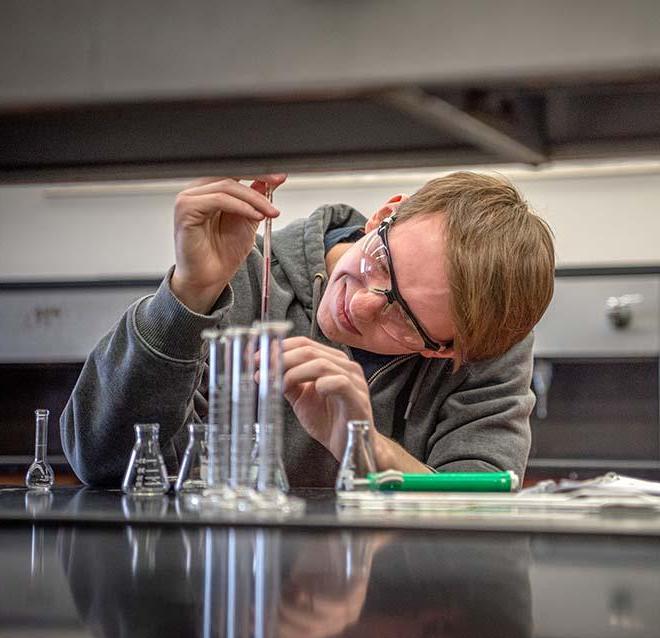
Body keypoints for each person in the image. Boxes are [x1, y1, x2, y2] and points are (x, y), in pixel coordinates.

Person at [60, 171, 554, 487]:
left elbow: (483, 508)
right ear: (383, 216)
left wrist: (362, 444)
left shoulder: (486, 339)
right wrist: (187, 295)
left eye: (403, 317)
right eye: (381, 262)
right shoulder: (242, 275)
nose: (358, 305)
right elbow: (101, 462)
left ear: (444, 351)